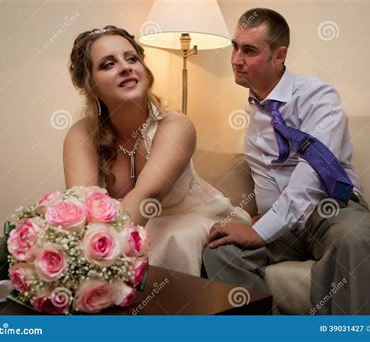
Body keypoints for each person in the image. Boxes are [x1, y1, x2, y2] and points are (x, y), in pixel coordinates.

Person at [202, 9, 370, 314]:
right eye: (235, 47)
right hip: (284, 226)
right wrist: (255, 220)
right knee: (219, 252)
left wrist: (261, 229)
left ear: (279, 56)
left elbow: (314, 173)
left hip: (330, 209)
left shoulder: (318, 96)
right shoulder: (253, 112)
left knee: (353, 242)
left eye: (249, 50)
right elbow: (267, 180)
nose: (236, 59)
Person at [64, 25, 251, 277]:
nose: (125, 66)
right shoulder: (82, 134)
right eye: (108, 64)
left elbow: (145, 197)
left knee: (172, 237)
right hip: (127, 231)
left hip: (196, 223)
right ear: (92, 86)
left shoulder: (177, 127)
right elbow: (81, 208)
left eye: (132, 58)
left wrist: (94, 253)